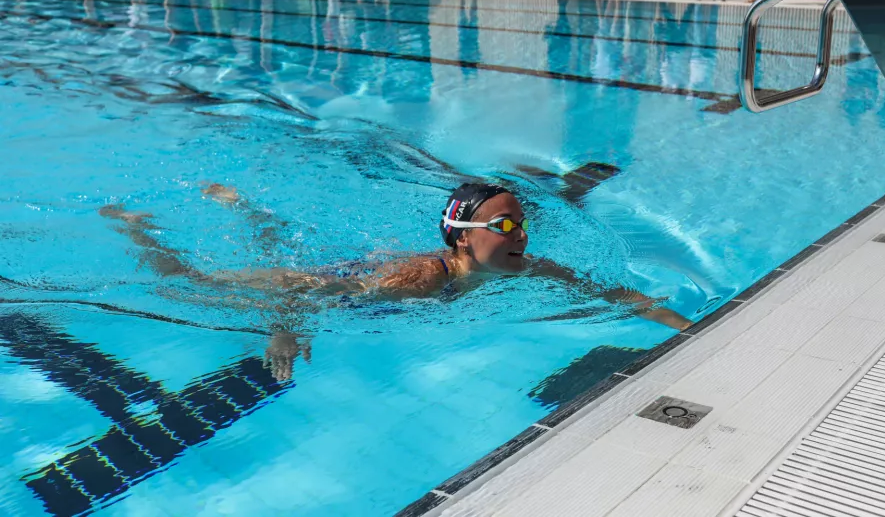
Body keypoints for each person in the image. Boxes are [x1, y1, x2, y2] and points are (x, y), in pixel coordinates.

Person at [100, 182, 693, 378]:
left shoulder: (527, 267)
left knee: (269, 240)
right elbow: (300, 291)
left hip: (365, 276)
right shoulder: (419, 281)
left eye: (523, 223)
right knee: (191, 283)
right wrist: (281, 331)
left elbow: (610, 293)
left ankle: (243, 207)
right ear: (463, 236)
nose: (521, 236)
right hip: (338, 282)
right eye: (505, 224)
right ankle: (133, 227)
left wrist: (682, 325)